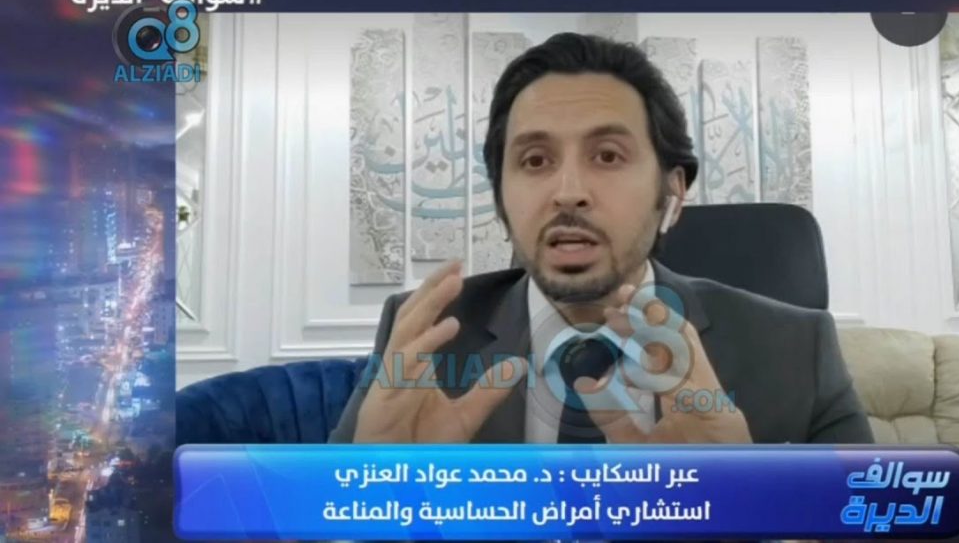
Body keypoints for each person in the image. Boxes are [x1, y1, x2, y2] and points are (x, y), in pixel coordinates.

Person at [329, 32, 873, 446]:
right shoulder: (426, 341)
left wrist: (738, 508)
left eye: (608, 156)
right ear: (500, 197)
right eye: (534, 160)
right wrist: (378, 499)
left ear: (673, 190)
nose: (568, 193)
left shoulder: (798, 350)